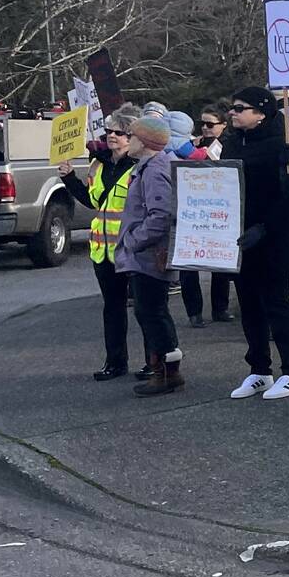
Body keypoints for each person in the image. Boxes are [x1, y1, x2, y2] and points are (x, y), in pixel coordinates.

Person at [224, 85, 289, 401]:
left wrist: (265, 227)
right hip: (241, 237)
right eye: (233, 107)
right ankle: (259, 368)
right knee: (249, 304)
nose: (233, 112)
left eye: (240, 107)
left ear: (261, 113)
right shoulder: (233, 144)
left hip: (275, 236)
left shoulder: (280, 145)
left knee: (276, 302)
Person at [57, 108, 138, 381]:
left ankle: (158, 363)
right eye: (109, 132)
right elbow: (93, 202)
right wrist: (69, 178)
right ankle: (115, 362)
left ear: (132, 136)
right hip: (103, 250)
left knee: (148, 309)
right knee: (112, 308)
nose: (112, 137)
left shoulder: (141, 165)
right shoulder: (98, 164)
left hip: (134, 247)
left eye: (119, 132)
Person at [115, 112, 185, 398]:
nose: (126, 140)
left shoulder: (155, 169)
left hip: (149, 257)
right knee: (152, 313)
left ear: (143, 141)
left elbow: (160, 215)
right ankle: (166, 370)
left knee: (152, 313)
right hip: (147, 255)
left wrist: (133, 241)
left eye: (131, 135)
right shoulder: (148, 166)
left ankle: (166, 373)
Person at [177, 106, 231, 328]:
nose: (205, 129)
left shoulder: (230, 145)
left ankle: (221, 308)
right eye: (202, 124)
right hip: (193, 207)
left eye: (210, 124)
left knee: (220, 263)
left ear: (223, 125)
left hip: (219, 209)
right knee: (188, 264)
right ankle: (194, 312)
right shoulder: (192, 145)